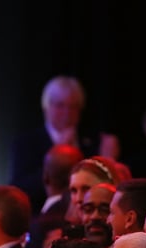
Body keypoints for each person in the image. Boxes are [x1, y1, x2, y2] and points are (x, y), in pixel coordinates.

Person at [10, 75, 119, 215]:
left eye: (73, 106)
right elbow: (20, 188)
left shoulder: (94, 141)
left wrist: (108, 159)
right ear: (46, 107)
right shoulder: (26, 143)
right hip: (42, 217)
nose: (67, 113)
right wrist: (57, 160)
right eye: (60, 106)